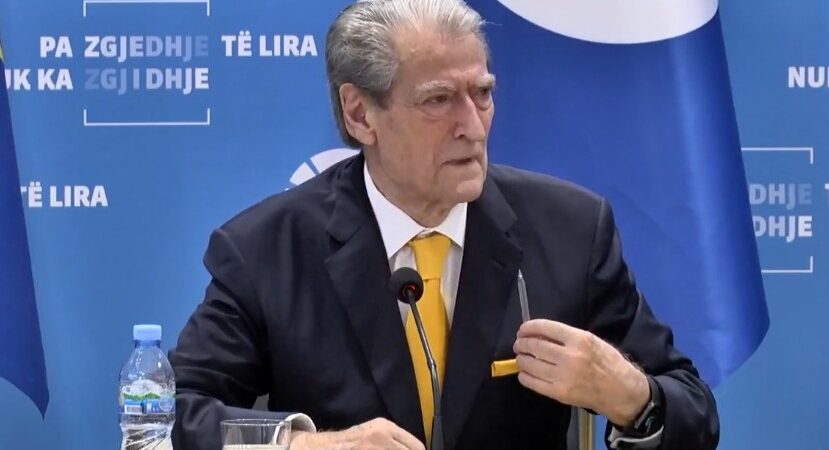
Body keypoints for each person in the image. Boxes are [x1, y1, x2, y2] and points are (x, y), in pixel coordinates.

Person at [170, 1, 719, 449]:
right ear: (360, 114)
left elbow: (693, 412)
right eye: (438, 100)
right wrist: (309, 446)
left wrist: (631, 396)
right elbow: (174, 417)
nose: (472, 127)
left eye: (482, 94)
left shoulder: (570, 231)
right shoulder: (266, 251)